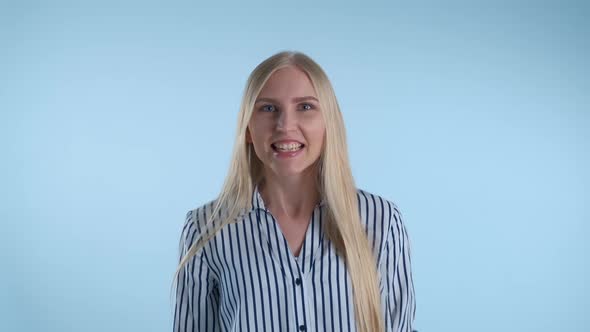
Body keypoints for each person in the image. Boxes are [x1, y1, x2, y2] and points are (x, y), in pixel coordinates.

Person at [172, 51, 416, 332]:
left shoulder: (381, 222)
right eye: (268, 108)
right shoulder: (206, 230)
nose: (285, 125)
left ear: (328, 124)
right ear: (248, 128)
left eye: (305, 107)